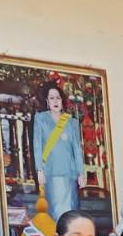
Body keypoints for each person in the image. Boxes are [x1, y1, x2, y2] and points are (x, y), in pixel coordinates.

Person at [32, 81, 85, 219]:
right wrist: (39, 170)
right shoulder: (41, 119)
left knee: (70, 214)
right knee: (54, 214)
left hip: (69, 174)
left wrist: (81, 173)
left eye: (58, 98)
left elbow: (77, 149)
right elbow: (37, 145)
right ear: (47, 101)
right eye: (51, 98)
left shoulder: (71, 122)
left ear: (62, 101)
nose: (55, 101)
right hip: (50, 172)